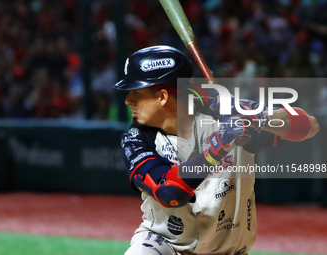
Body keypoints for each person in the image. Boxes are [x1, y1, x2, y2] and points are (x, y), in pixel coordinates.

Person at [112, 45, 319, 255]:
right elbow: (170, 193)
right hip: (164, 245)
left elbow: (309, 126)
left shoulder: (230, 114)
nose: (128, 100)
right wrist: (219, 146)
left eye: (136, 92)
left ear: (163, 96)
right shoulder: (136, 138)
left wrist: (256, 119)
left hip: (227, 250)